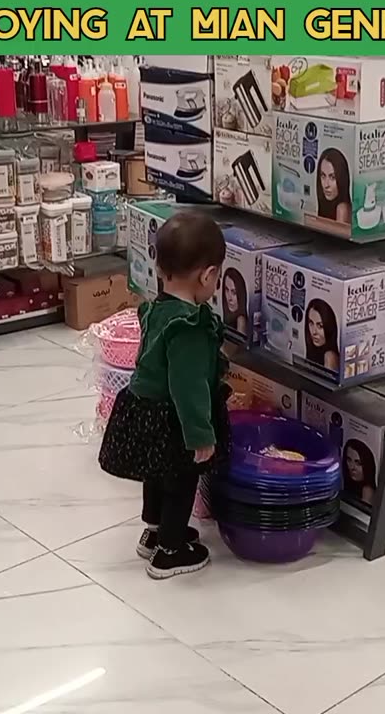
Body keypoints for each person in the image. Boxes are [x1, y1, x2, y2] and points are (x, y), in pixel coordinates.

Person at [98, 212, 230, 580]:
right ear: (208, 275)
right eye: (216, 278)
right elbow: (188, 387)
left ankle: (153, 532)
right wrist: (201, 435)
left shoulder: (156, 309)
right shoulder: (190, 327)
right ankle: (170, 552)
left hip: (143, 408)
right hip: (173, 417)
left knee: (155, 476)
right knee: (180, 480)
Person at [316, 148, 351, 224]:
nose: (326, 185)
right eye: (323, 176)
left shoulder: (342, 209)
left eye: (332, 177)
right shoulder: (326, 205)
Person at [304, 298, 340, 371]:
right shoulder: (312, 351)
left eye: (320, 326)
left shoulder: (330, 357)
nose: (314, 332)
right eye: (311, 323)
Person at [343, 439, 378, 504]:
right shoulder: (346, 481)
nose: (351, 467)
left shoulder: (367, 491)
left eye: (358, 463)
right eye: (349, 460)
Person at [220, 267, 249, 337]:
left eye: (234, 292)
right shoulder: (227, 316)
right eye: (227, 290)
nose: (229, 298)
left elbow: (239, 347)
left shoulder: (241, 320)